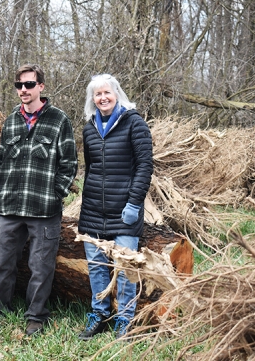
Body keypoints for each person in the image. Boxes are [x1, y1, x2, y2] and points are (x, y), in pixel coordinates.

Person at [0, 64, 78, 336]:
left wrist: (56, 193)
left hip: (44, 209)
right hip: (9, 207)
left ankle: (36, 317)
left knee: (41, 267)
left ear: (41, 87)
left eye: (29, 85)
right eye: (19, 85)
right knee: (2, 262)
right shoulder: (10, 121)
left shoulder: (58, 120)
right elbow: (1, 161)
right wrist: (1, 192)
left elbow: (69, 163)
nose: (24, 90)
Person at [77, 74, 153, 340]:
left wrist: (134, 203)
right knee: (96, 266)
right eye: (97, 94)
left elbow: (145, 167)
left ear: (117, 93)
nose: (103, 98)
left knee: (125, 268)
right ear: (93, 99)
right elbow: (91, 169)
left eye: (107, 92)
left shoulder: (135, 124)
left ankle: (125, 320)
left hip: (125, 210)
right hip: (93, 210)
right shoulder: (89, 128)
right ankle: (99, 314)